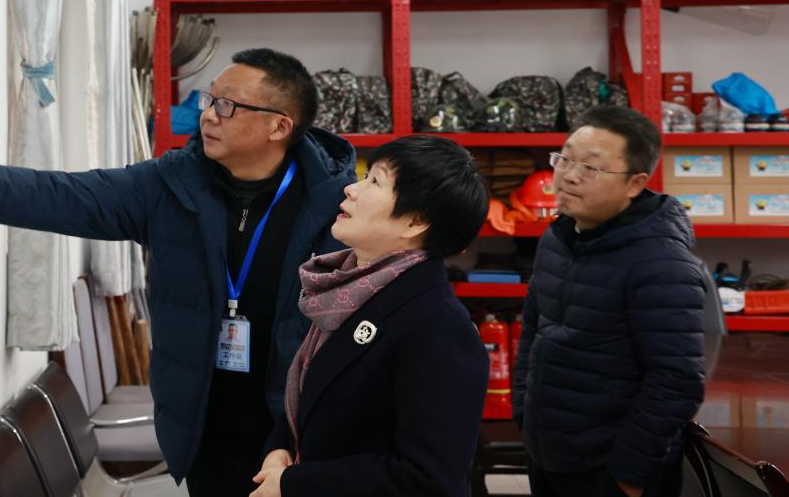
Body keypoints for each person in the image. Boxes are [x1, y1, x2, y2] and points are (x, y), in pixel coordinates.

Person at [0, 49, 356, 492]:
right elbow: (60, 195)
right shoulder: (170, 186)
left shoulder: (340, 206)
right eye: (209, 100)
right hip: (204, 429)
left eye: (228, 106)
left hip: (301, 431)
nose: (208, 115)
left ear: (278, 126)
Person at [251, 135, 490, 496]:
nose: (351, 189)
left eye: (375, 181)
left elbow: (428, 479)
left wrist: (295, 484)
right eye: (365, 177)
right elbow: (312, 400)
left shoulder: (438, 327)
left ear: (415, 221)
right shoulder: (346, 293)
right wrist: (278, 449)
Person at [513, 106, 706, 497]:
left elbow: (675, 379)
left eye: (591, 167)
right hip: (550, 454)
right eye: (565, 159)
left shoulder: (661, 262)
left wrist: (628, 476)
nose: (569, 175)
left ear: (635, 183)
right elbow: (534, 329)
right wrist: (524, 411)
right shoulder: (558, 237)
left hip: (609, 469)